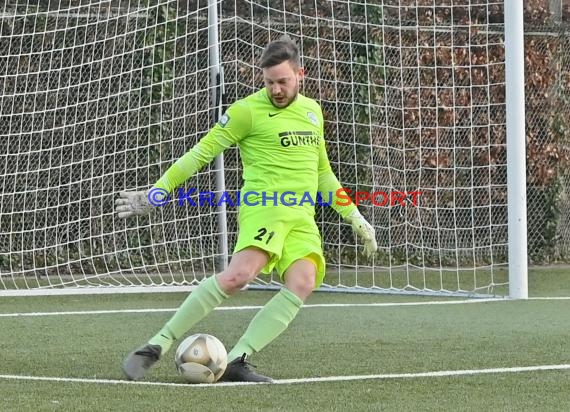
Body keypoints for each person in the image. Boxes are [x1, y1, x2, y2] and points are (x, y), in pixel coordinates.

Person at [115, 35, 377, 383]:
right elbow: (200, 153)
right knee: (238, 277)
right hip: (264, 209)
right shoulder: (246, 112)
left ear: (301, 74)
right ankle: (155, 346)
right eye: (269, 82)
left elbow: (322, 173)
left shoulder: (313, 112)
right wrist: (157, 193)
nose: (276, 89)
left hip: (300, 217)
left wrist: (354, 216)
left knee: (303, 281)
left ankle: (237, 360)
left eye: (283, 81)